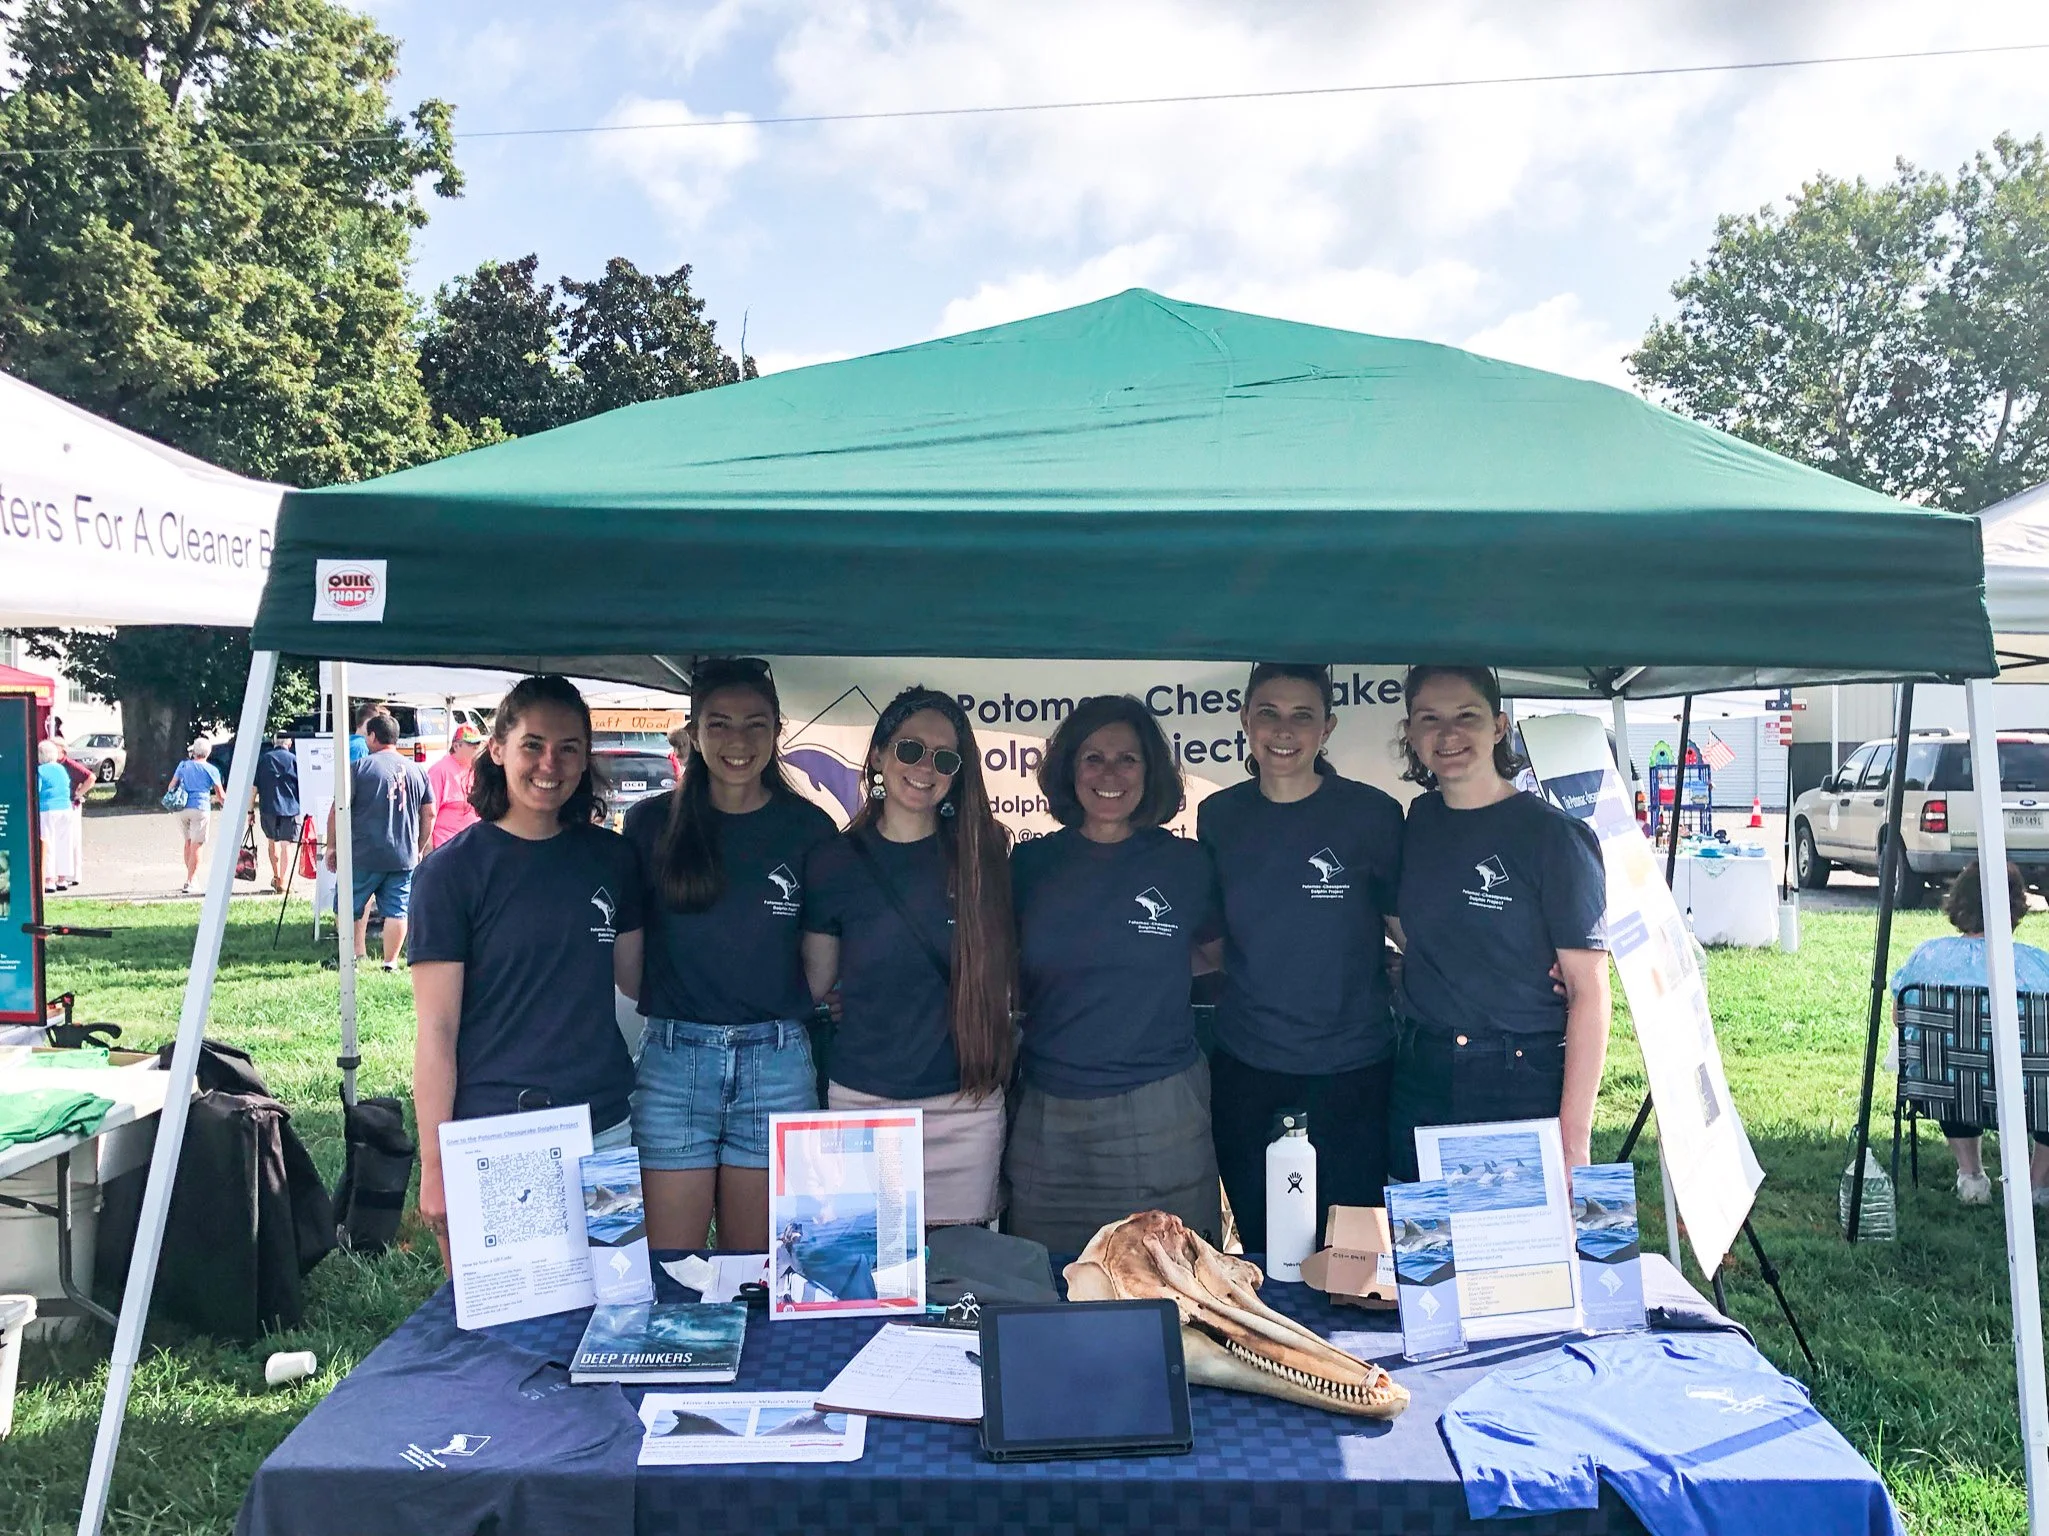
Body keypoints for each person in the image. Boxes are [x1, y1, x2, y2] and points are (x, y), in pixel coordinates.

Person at [408, 675, 645, 1266]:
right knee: (505, 1340)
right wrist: (435, 1169)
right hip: (501, 1131)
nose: (550, 764)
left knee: (615, 1314)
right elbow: (435, 1032)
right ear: (497, 750)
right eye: (532, 744)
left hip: (605, 1124)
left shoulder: (613, 859)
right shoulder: (450, 873)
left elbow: (641, 982)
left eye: (569, 747)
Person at [624, 659, 837, 1250]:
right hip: (673, 1063)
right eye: (718, 725)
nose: (737, 742)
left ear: (777, 731)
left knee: (758, 1277)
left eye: (755, 725)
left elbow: (819, 968)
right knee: (674, 1272)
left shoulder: (809, 827)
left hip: (775, 1064)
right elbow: (629, 966)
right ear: (693, 731)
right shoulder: (648, 825)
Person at [1006, 695, 1224, 1252]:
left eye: (1127, 759)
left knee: (1175, 1302)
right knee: (1049, 1301)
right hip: (1048, 1120)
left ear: (1150, 772)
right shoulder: (1030, 866)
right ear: (1067, 769)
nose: (1109, 774)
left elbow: (1214, 957)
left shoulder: (1184, 864)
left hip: (1160, 1116)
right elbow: (998, 969)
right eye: (1092, 758)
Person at [1198, 663, 1404, 1249]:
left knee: (1350, 1253)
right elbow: (1210, 937)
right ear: (1244, 720)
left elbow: (1410, 928)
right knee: (1268, 1250)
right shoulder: (1221, 816)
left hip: (1353, 1068)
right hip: (1248, 1065)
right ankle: (1266, 1344)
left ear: (1328, 727)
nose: (1283, 730)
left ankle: (1343, 1345)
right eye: (1268, 713)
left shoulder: (1372, 814)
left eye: (1302, 716)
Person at [800, 687, 1016, 1228]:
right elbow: (813, 984)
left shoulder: (985, 853)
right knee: (865, 1281)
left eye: (945, 759)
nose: (926, 768)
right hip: (864, 1102)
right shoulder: (833, 863)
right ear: (877, 755)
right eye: (910, 750)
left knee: (961, 1287)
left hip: (965, 1107)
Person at [1387, 666, 1611, 1180]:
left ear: (1499, 726)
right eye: (1430, 719)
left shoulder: (1554, 838)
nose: (1448, 734)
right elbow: (1411, 925)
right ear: (1411, 734)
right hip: (1421, 1069)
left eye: (1467, 716)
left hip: (1518, 1075)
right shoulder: (1419, 821)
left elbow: (1590, 994)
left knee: (1520, 1254)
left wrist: (1574, 1140)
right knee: (1427, 1254)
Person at [1891, 858, 2049, 1206]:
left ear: (1958, 900)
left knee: (1948, 1064)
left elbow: (1898, 1020)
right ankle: (2037, 1185)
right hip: (2030, 1097)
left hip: (1944, 1091)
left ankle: (1972, 1176)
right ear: (2015, 908)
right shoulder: (2039, 965)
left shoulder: (1927, 958)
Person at [327, 712, 434, 970]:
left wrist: (332, 846)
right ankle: (390, 962)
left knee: (349, 904)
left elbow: (337, 809)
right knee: (397, 909)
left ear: (373, 737)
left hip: (363, 853)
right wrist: (419, 847)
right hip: (403, 855)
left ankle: (352, 955)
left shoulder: (359, 768)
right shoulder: (418, 770)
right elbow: (429, 812)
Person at [168, 741, 225, 896]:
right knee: (196, 845)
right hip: (200, 807)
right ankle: (191, 881)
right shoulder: (212, 769)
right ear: (208, 753)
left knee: (187, 843)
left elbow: (171, 786)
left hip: (182, 808)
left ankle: (190, 877)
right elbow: (220, 795)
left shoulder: (183, 765)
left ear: (194, 751)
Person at [254, 734, 302, 893]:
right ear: (289, 742)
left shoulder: (264, 759)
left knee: (271, 842)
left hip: (268, 807)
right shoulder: (294, 759)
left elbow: (254, 787)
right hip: (290, 807)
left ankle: (275, 876)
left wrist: (249, 811)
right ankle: (284, 880)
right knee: (286, 845)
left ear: (274, 742)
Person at [425, 724, 484, 851]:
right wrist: (427, 848)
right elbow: (428, 813)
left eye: (478, 744)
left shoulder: (479, 771)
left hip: (474, 847)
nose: (476, 748)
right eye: (471, 744)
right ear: (456, 746)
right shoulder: (439, 770)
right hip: (445, 848)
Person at [37, 741, 73, 894]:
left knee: (48, 842)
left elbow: (36, 790)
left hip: (47, 809)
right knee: (64, 842)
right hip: (65, 807)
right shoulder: (62, 769)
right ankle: (62, 878)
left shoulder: (41, 770)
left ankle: (49, 879)